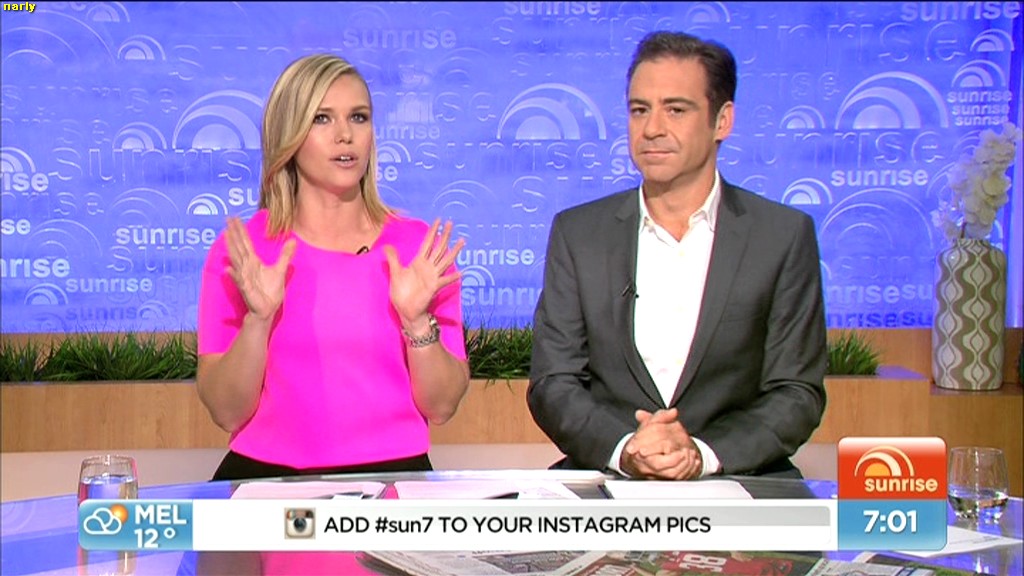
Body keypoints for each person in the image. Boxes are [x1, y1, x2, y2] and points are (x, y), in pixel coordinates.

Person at [528, 31, 827, 480]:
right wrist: (626, 449)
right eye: (639, 110)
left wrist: (702, 455)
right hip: (611, 483)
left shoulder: (781, 236)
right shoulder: (579, 234)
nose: (652, 129)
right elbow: (554, 383)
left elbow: (796, 392)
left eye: (676, 109)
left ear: (722, 121)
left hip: (738, 481)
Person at [197, 54, 470, 480]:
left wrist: (417, 322)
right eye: (322, 118)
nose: (345, 135)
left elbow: (442, 406)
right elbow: (226, 411)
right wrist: (258, 321)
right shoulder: (244, 251)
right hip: (267, 484)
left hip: (394, 483)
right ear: (289, 134)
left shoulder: (417, 249)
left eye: (358, 117)